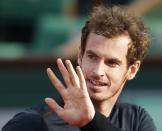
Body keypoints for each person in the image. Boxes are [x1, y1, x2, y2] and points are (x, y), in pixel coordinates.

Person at [2, 5, 157, 131]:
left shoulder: (136, 120)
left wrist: (91, 122)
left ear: (132, 70)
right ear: (80, 57)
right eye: (92, 57)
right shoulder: (33, 123)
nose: (97, 71)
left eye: (111, 62)